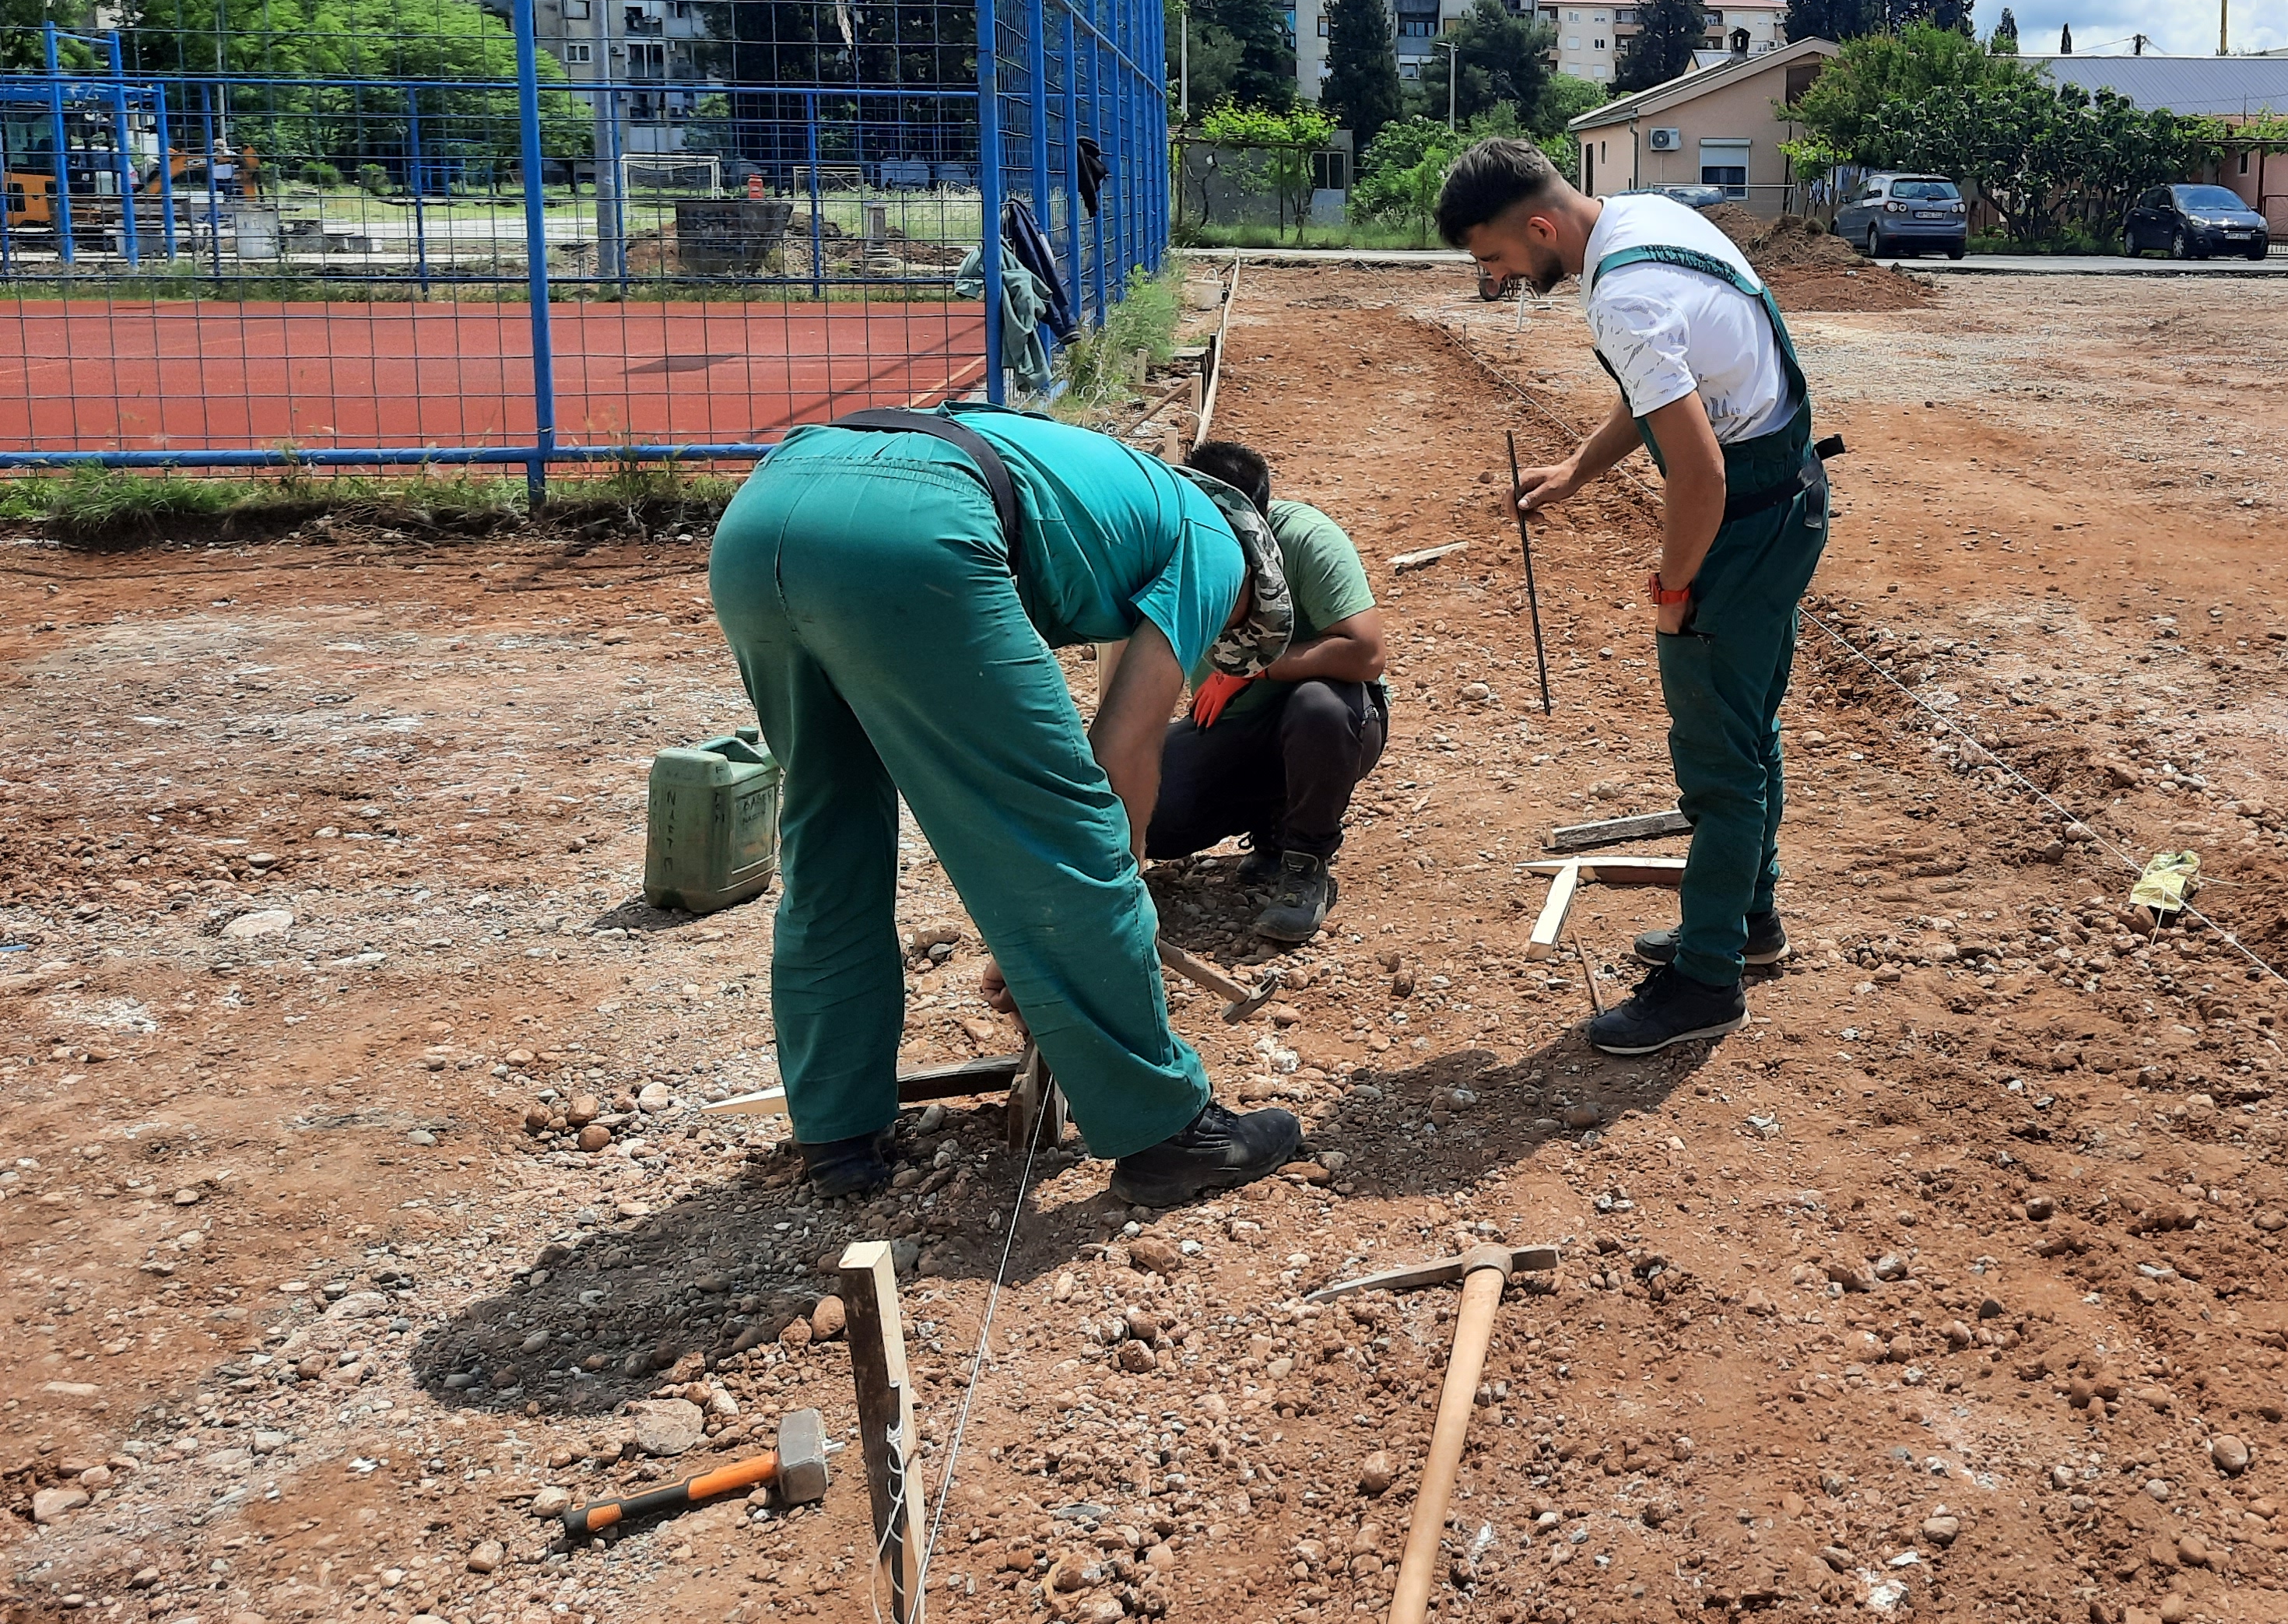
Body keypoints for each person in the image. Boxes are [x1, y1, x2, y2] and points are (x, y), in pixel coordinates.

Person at [705, 405, 1307, 1208]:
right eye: (1224, 637)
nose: (1211, 644)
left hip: (763, 515)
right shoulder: (1214, 545)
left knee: (830, 833)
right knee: (1073, 830)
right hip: (916, 527)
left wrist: (1036, 951)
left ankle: (838, 1132)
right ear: (1253, 589)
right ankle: (1167, 1133)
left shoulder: (1125, 497)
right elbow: (1120, 754)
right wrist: (1086, 926)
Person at [1434, 139, 1834, 1054]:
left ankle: (1705, 983)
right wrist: (1579, 468)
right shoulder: (1645, 220)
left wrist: (1674, 585)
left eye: (1495, 260)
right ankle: (1742, 924)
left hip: (1744, 524)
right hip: (1790, 498)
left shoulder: (1622, 293)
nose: (1497, 281)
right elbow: (1670, 392)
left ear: (1538, 227)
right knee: (1749, 728)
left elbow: (1697, 472)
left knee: (1717, 760)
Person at [1147, 438, 1389, 945]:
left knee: (1318, 708)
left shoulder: (1306, 540)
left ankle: (1305, 860)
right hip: (1236, 727)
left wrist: (1255, 669)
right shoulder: (1180, 548)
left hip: (1334, 722)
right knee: (1152, 812)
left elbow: (1367, 654)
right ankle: (1270, 817)